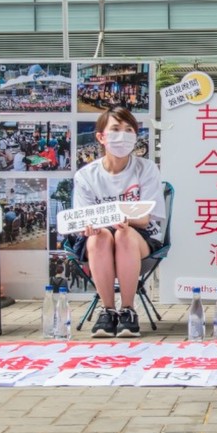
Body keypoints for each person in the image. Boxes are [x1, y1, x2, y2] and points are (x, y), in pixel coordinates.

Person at [73, 107, 165, 338]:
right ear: (101, 137)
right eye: (115, 129)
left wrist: (122, 219)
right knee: (100, 236)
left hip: (138, 237)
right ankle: (107, 311)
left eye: (128, 130)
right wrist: (96, 225)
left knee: (123, 234)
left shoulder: (146, 169)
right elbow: (83, 219)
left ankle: (128, 310)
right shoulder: (86, 176)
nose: (122, 135)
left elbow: (145, 219)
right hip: (98, 239)